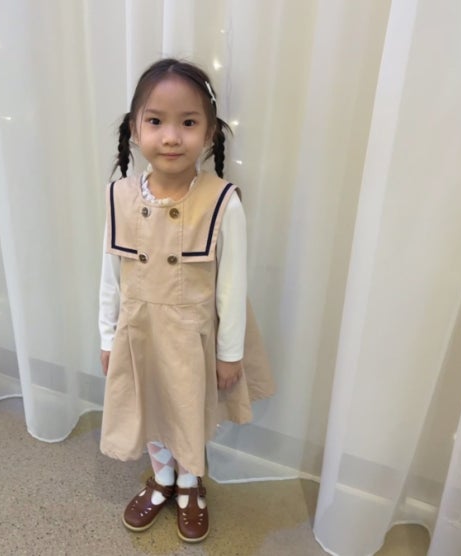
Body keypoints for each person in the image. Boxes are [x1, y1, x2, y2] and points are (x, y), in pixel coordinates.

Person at [98, 58, 274, 543]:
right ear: (135, 129)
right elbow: (110, 275)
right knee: (152, 409)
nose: (171, 137)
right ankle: (162, 479)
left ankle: (191, 484)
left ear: (210, 131)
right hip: (140, 332)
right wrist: (107, 336)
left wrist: (229, 353)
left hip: (193, 337)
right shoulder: (119, 196)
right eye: (156, 121)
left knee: (187, 413)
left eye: (189, 123)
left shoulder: (223, 202)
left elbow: (232, 286)